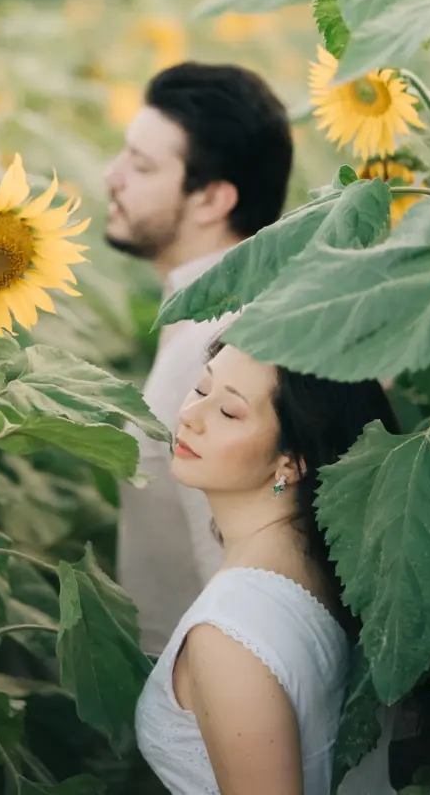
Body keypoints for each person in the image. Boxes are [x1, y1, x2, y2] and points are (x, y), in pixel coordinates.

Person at [135, 341, 399, 795]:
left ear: (291, 463)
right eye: (201, 388)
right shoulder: (330, 570)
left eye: (230, 413)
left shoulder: (228, 636)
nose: (191, 416)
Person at [104, 61, 293, 655]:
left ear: (212, 198)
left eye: (141, 166)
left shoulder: (223, 352)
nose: (113, 177)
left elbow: (239, 573)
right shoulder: (225, 316)